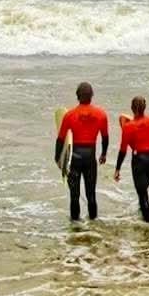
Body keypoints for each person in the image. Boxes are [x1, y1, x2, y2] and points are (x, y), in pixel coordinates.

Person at [55, 82, 109, 221]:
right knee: (91, 194)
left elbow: (60, 139)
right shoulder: (101, 114)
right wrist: (103, 154)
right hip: (90, 157)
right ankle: (93, 226)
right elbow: (105, 137)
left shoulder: (70, 115)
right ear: (91, 96)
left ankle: (75, 227)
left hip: (75, 157)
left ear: (77, 96)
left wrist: (58, 158)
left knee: (74, 195)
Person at [114, 97, 149, 223]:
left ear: (132, 108)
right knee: (143, 189)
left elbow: (123, 150)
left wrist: (117, 169)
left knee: (142, 195)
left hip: (140, 161)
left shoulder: (128, 127)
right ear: (144, 108)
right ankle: (142, 214)